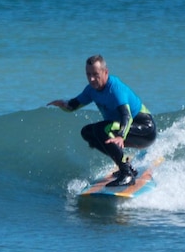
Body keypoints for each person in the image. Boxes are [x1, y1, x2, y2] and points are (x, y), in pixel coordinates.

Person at [47, 55, 156, 186]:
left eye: (95, 74)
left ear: (106, 72)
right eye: (88, 74)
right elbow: (73, 105)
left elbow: (126, 116)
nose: (92, 79)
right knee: (87, 132)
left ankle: (127, 174)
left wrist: (121, 136)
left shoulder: (115, 89)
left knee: (102, 129)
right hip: (122, 127)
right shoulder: (91, 90)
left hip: (145, 129)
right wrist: (63, 104)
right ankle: (126, 166)